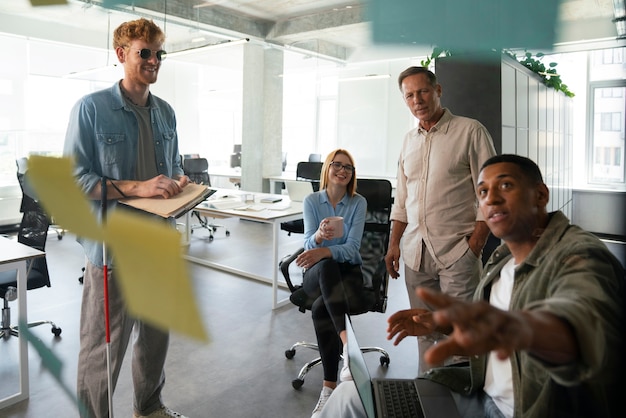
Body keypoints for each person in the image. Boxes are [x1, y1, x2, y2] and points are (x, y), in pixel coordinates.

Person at [319, 154, 625, 418]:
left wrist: (515, 328)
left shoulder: (580, 254)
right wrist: (441, 325)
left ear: (541, 195)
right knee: (349, 396)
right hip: (477, 391)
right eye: (482, 191)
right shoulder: (502, 260)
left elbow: (586, 328)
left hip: (522, 410)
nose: (490, 198)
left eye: (506, 185)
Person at [64, 18, 190, 418]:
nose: (154, 60)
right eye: (145, 52)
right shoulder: (92, 109)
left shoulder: (166, 113)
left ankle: (149, 408)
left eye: (158, 53)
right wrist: (140, 187)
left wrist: (180, 180)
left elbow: (172, 166)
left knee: (155, 342)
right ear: (121, 54)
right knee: (103, 350)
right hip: (114, 253)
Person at [384, 66, 497, 368]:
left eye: (422, 91)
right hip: (415, 254)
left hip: (457, 253)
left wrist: (474, 246)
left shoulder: (470, 131)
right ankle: (429, 398)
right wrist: (394, 244)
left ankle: (463, 407)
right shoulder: (408, 141)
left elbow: (490, 194)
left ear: (438, 90)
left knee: (460, 337)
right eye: (409, 95)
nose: (417, 100)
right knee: (424, 333)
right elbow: (402, 200)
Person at [295, 149, 368, 418]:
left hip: (348, 274)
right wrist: (317, 237)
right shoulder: (312, 201)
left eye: (348, 167)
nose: (342, 170)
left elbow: (353, 249)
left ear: (352, 174)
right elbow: (306, 244)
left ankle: (328, 388)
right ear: (327, 168)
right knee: (325, 267)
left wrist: (325, 251)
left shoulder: (358, 203)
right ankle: (349, 346)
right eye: (337, 165)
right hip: (319, 274)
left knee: (319, 309)